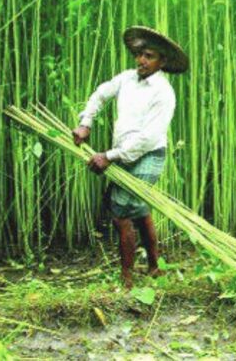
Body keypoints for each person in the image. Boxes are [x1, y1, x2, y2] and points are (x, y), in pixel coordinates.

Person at [72, 26, 188, 289]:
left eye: (149, 56)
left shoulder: (163, 93)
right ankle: (155, 267)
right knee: (141, 210)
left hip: (148, 156)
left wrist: (109, 156)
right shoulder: (126, 78)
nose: (141, 61)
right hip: (122, 154)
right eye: (139, 54)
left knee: (121, 212)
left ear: (163, 61)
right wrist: (86, 122)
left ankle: (126, 278)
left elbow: (148, 138)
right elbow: (101, 94)